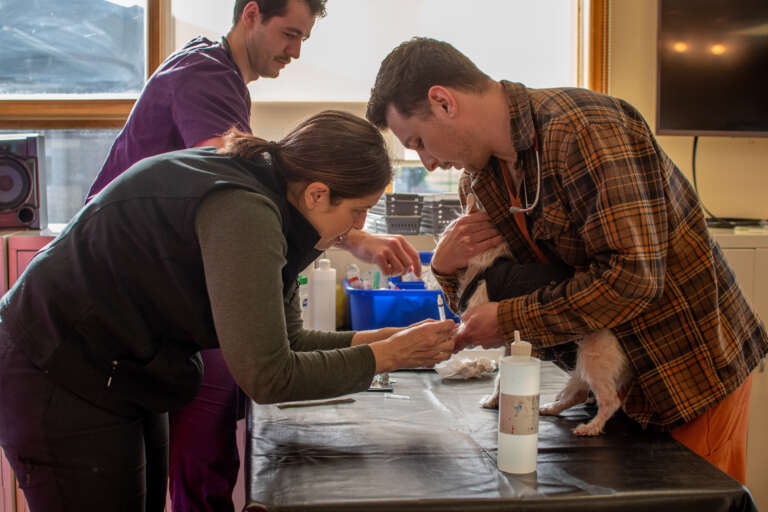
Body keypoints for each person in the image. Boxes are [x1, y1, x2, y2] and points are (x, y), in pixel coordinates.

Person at [0, 110, 457, 511]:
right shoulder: (245, 212)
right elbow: (266, 376)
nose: (358, 228)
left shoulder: (272, 199)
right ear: (317, 194)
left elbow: (289, 342)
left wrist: (385, 341)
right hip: (53, 365)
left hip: (121, 368)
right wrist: (390, 357)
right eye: (359, 211)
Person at [366, 37, 768, 484]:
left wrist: (510, 316)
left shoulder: (585, 130)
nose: (427, 161)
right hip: (610, 381)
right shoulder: (482, 182)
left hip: (682, 374)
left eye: (419, 141)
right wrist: (444, 266)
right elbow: (479, 308)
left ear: (443, 102)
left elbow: (633, 278)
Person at [87, 1, 423, 509]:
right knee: (213, 405)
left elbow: (287, 341)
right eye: (289, 33)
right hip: (108, 296)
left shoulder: (221, 80)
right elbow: (226, 171)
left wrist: (377, 339)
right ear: (250, 15)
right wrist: (356, 242)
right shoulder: (204, 77)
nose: (296, 50)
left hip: (147, 300)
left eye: (304, 38)